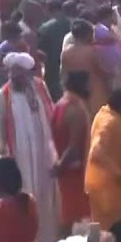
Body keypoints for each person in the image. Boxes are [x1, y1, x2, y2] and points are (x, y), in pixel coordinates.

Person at [0, 52, 59, 242]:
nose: (15, 78)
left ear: (27, 74)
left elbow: (50, 113)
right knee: (25, 192)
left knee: (46, 193)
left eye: (19, 74)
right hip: (19, 155)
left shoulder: (40, 87)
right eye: (12, 74)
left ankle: (46, 238)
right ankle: (27, 239)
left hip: (43, 151)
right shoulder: (2, 96)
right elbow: (0, 130)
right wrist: (4, 155)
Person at [85, 84, 121, 229]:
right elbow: (97, 151)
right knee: (112, 235)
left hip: (104, 187)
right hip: (108, 192)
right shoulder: (110, 122)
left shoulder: (104, 113)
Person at [50, 70, 92, 232]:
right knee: (72, 219)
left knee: (63, 216)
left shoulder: (60, 104)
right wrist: (60, 167)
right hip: (72, 172)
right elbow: (73, 148)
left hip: (60, 166)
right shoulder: (76, 109)